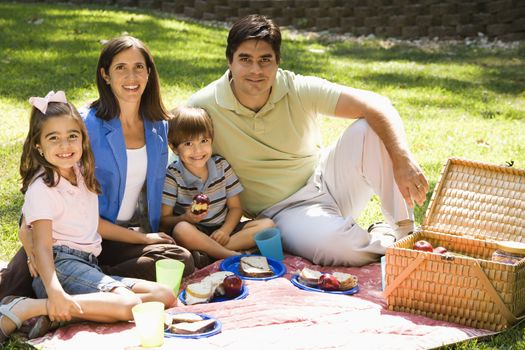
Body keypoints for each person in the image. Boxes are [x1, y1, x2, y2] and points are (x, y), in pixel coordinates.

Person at [188, 14, 429, 267]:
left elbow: (378, 104)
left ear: (277, 62)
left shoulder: (297, 87)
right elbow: (178, 153)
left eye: (265, 60)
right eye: (245, 59)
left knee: (369, 127)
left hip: (328, 179)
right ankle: (384, 240)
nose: (256, 70)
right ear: (230, 61)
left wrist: (402, 160)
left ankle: (404, 232)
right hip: (285, 212)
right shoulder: (204, 106)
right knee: (342, 248)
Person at [0, 35, 194, 300]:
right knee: (9, 290)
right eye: (120, 68)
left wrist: (149, 237)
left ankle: (91, 279)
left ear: (149, 72)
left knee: (180, 258)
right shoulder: (84, 124)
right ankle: (78, 283)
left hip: (121, 237)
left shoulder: (159, 127)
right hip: (71, 236)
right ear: (105, 75)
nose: (131, 76)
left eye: (139, 66)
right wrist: (27, 235)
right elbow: (44, 178)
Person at [0, 93, 175, 344]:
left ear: (83, 138)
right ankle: (31, 307)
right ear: (38, 146)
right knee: (129, 304)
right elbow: (42, 245)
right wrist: (55, 291)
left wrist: (143, 237)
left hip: (87, 264)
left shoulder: (80, 172)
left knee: (164, 294)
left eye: (73, 136)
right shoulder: (43, 187)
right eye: (54, 138)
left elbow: (93, 224)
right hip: (60, 267)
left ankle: (64, 313)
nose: (65, 146)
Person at [160, 106, 274, 261]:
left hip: (224, 230)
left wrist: (225, 231)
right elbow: (165, 220)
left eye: (204, 141)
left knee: (267, 225)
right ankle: (231, 255)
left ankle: (211, 252)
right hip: (195, 231)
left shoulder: (221, 166)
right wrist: (185, 218)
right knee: (181, 230)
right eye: (188, 144)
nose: (198, 150)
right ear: (174, 147)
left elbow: (236, 208)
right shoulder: (173, 175)